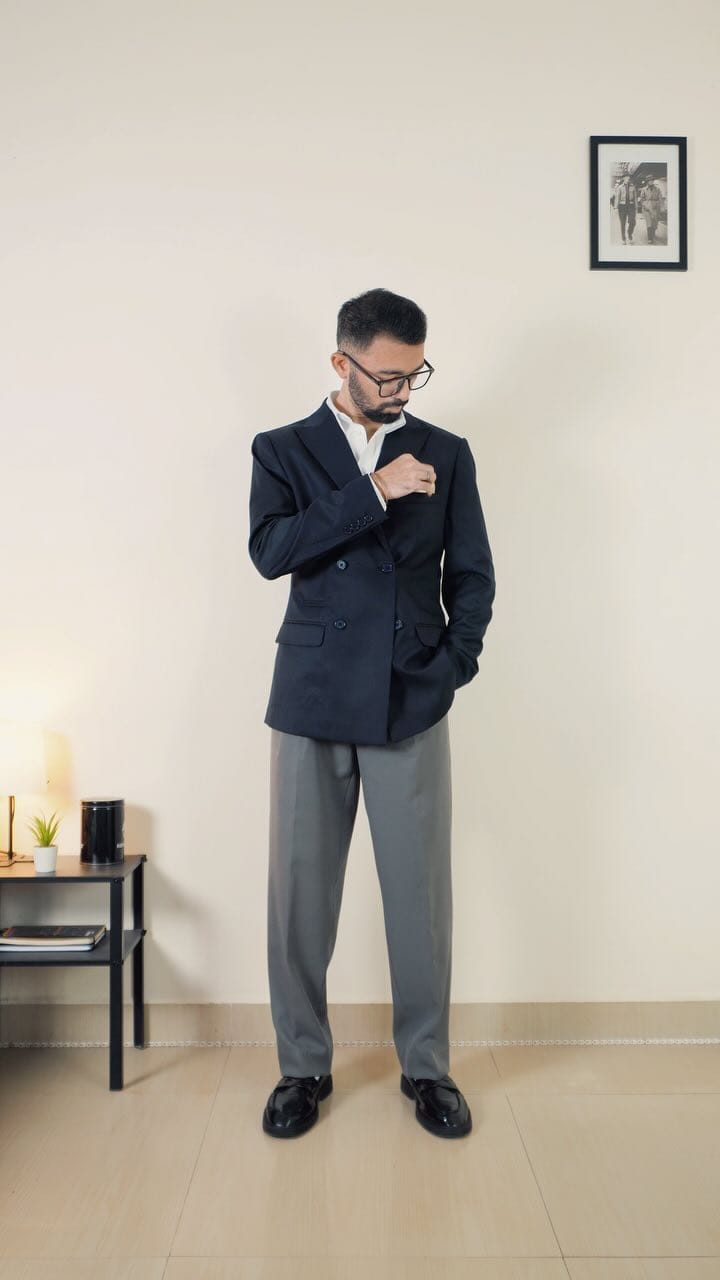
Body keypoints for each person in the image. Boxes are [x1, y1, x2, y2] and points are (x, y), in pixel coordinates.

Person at [248, 287, 496, 1140]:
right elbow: (272, 552)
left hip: (410, 695)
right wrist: (375, 490)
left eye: (413, 376)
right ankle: (301, 1067)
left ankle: (427, 1068)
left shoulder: (448, 452)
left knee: (419, 898)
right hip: (311, 697)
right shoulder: (282, 449)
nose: (401, 392)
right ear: (341, 362)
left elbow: (473, 575)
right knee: (299, 897)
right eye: (387, 377)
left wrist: (452, 667)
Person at [611, 171, 638, 244]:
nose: (628, 178)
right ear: (623, 178)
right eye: (626, 177)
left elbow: (635, 198)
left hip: (631, 206)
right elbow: (617, 198)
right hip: (622, 206)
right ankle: (623, 238)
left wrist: (636, 207)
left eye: (628, 177)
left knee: (633, 222)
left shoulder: (633, 187)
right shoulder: (620, 187)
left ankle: (629, 233)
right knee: (623, 223)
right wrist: (616, 207)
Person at [638, 173, 663, 244]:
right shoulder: (644, 189)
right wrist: (645, 205)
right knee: (649, 223)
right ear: (647, 181)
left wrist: (660, 207)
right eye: (649, 180)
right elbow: (642, 199)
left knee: (654, 223)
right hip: (647, 208)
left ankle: (653, 233)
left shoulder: (657, 189)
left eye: (652, 180)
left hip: (655, 207)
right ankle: (650, 238)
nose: (651, 181)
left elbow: (660, 198)